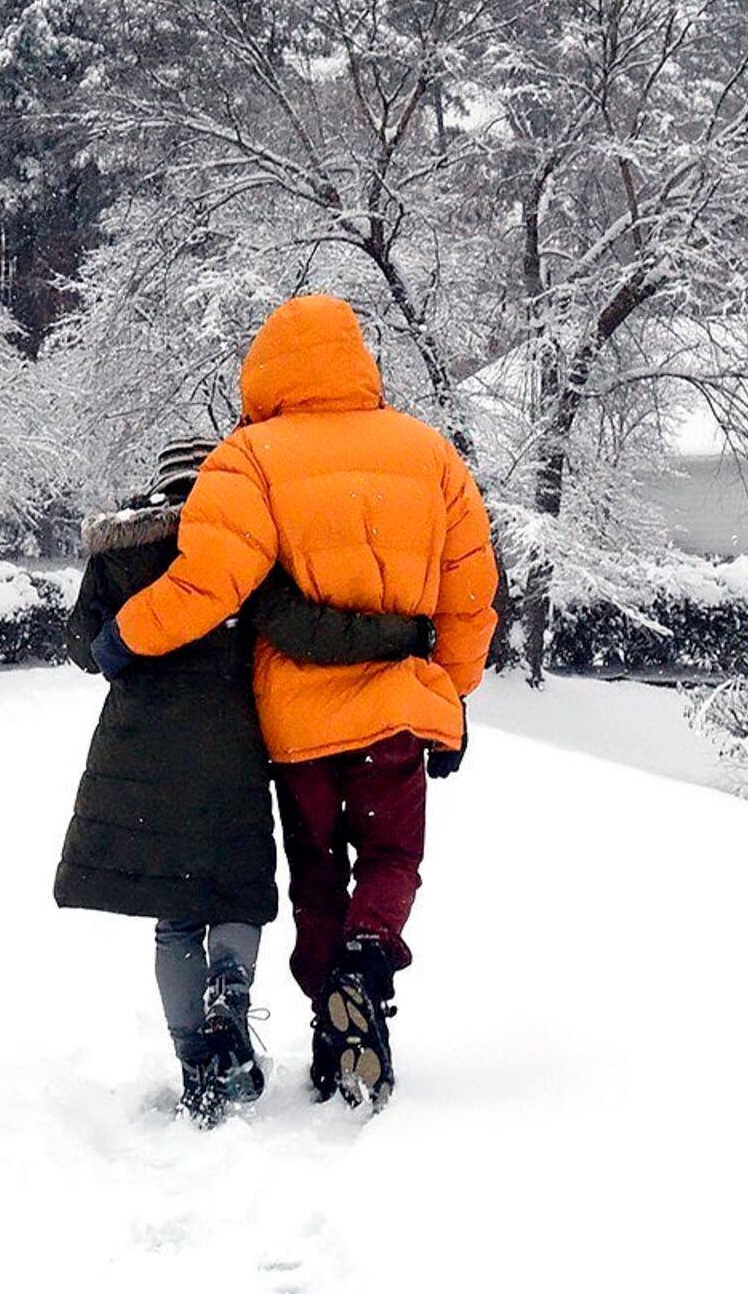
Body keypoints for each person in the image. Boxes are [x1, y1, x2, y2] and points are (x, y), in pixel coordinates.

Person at [89, 295, 496, 1110]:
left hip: (297, 724)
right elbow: (471, 595)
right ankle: (365, 966)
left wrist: (123, 637)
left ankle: (326, 1015)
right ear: (358, 360)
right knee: (390, 860)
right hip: (396, 713)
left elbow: (208, 582)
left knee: (317, 874)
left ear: (268, 366)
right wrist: (451, 697)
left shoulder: (251, 455)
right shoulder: (432, 455)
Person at [57, 436, 432, 1125]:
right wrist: (399, 634)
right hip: (233, 750)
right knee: (235, 891)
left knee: (175, 918)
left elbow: (83, 646)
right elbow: (305, 630)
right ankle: (230, 993)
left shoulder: (117, 549)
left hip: (141, 762)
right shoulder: (240, 547)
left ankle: (198, 1064)